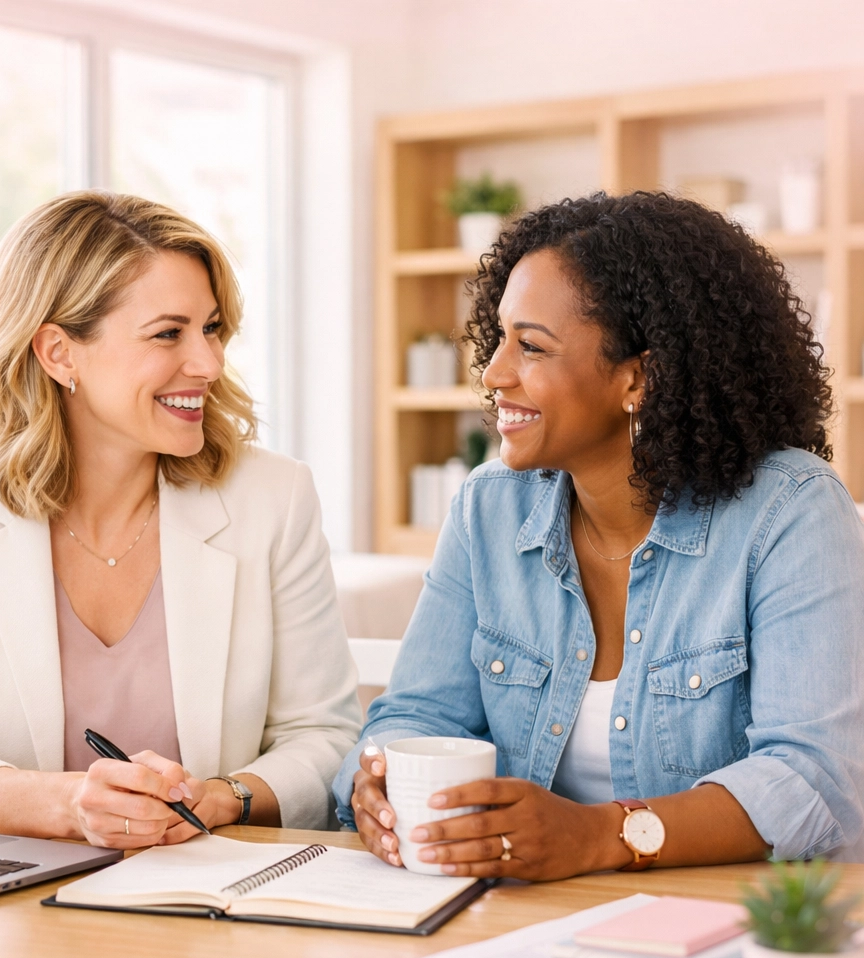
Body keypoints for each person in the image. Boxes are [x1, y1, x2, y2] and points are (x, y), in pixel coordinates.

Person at [335, 191, 864, 878]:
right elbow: (415, 713)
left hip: (729, 929)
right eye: (498, 339)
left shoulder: (787, 511)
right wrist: (378, 780)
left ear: (637, 377)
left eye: (531, 347)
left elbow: (815, 780)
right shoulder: (488, 510)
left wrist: (597, 837)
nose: (493, 374)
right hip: (516, 919)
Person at [0, 190, 361, 849]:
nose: (207, 363)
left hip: (209, 898)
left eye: (211, 328)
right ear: (60, 353)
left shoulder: (272, 495)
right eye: (167, 334)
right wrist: (68, 805)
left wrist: (226, 797)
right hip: (7, 908)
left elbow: (323, 735)